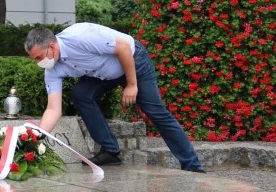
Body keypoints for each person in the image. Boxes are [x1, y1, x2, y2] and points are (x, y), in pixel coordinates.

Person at [24, 23, 205, 173]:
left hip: (133, 60)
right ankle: (110, 150)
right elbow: (53, 109)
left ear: (52, 47)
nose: (39, 62)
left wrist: (132, 85)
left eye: (40, 57)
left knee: (156, 112)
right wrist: (36, 136)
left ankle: (192, 165)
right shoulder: (52, 68)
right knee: (81, 95)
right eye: (35, 59)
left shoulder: (80, 36)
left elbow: (124, 48)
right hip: (103, 73)